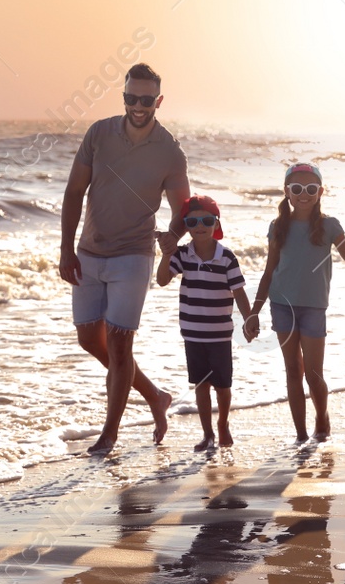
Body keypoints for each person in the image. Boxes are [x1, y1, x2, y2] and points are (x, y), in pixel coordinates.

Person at [58, 63, 188, 455]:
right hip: (89, 251)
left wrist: (173, 234)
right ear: (124, 96)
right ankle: (154, 395)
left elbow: (182, 207)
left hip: (133, 255)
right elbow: (73, 192)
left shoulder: (169, 151)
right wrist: (66, 248)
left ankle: (109, 435)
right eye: (132, 97)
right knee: (88, 339)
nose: (138, 106)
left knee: (118, 345)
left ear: (158, 102)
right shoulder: (99, 133)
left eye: (146, 100)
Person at [249, 163, 345, 442]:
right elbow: (269, 272)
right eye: (296, 189)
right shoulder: (277, 227)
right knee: (293, 370)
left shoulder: (329, 226)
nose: (303, 194)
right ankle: (301, 435)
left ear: (320, 192)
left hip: (313, 308)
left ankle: (321, 417)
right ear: (287, 192)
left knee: (314, 373)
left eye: (310, 189)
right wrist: (253, 313)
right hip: (281, 306)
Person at [155, 195, 251, 450]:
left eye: (206, 220)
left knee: (222, 385)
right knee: (200, 385)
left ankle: (223, 424)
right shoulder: (182, 255)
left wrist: (249, 319)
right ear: (186, 224)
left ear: (216, 224)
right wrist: (166, 254)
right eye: (193, 221)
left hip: (220, 333)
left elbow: (239, 292)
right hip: (193, 333)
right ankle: (207, 433)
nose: (200, 226)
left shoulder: (227, 257)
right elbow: (162, 280)